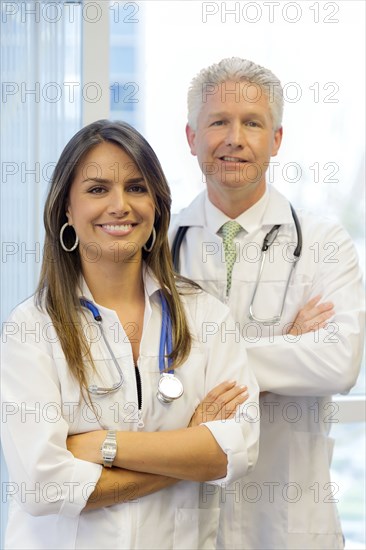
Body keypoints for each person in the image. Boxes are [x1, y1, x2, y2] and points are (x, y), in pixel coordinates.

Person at [0, 120, 260, 550]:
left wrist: (103, 445)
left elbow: (238, 451)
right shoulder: (31, 328)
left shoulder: (206, 318)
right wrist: (186, 456)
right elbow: (42, 486)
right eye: (98, 189)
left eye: (137, 188)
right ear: (67, 208)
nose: (120, 206)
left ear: (157, 204)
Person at [169, 57, 365, 549]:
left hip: (289, 522)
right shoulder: (157, 247)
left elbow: (339, 364)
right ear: (192, 138)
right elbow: (144, 382)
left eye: (252, 123)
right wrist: (285, 347)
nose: (235, 138)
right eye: (218, 122)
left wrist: (204, 364)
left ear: (275, 139)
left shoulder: (324, 242)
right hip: (185, 517)